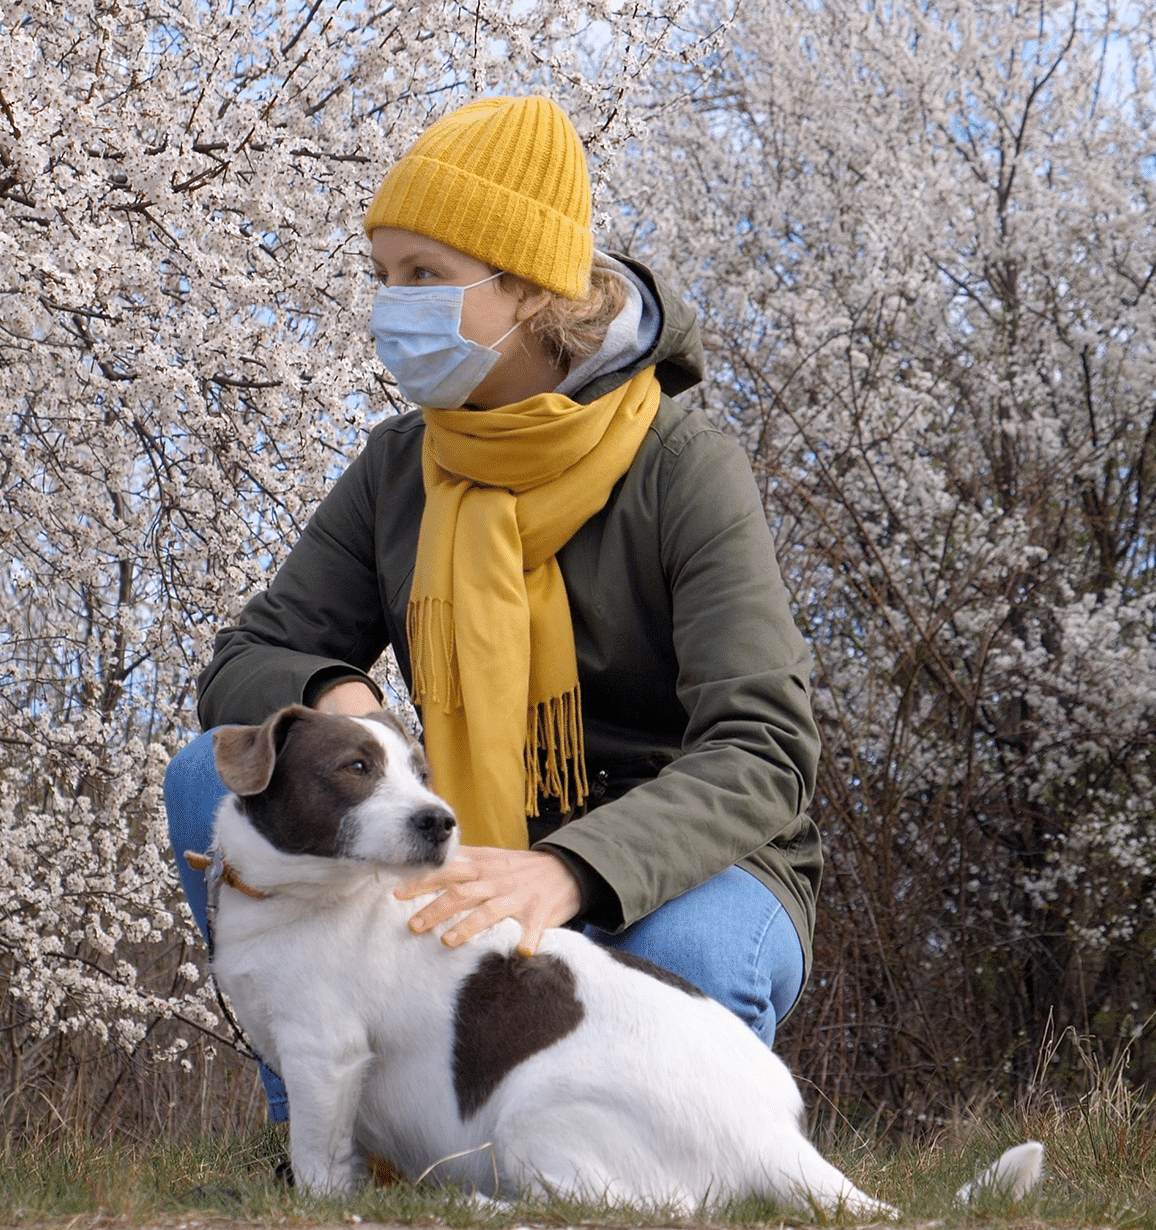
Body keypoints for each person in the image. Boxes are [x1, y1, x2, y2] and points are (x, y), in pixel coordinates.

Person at [164, 95, 822, 1122]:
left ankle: (691, 1172)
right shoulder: (400, 466)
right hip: (463, 839)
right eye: (382, 277)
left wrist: (570, 871)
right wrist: (333, 696)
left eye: (424, 276)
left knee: (680, 959)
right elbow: (251, 653)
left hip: (688, 861)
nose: (392, 306)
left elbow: (762, 745)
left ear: (527, 286)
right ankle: (330, 1146)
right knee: (211, 769)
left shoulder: (683, 467)